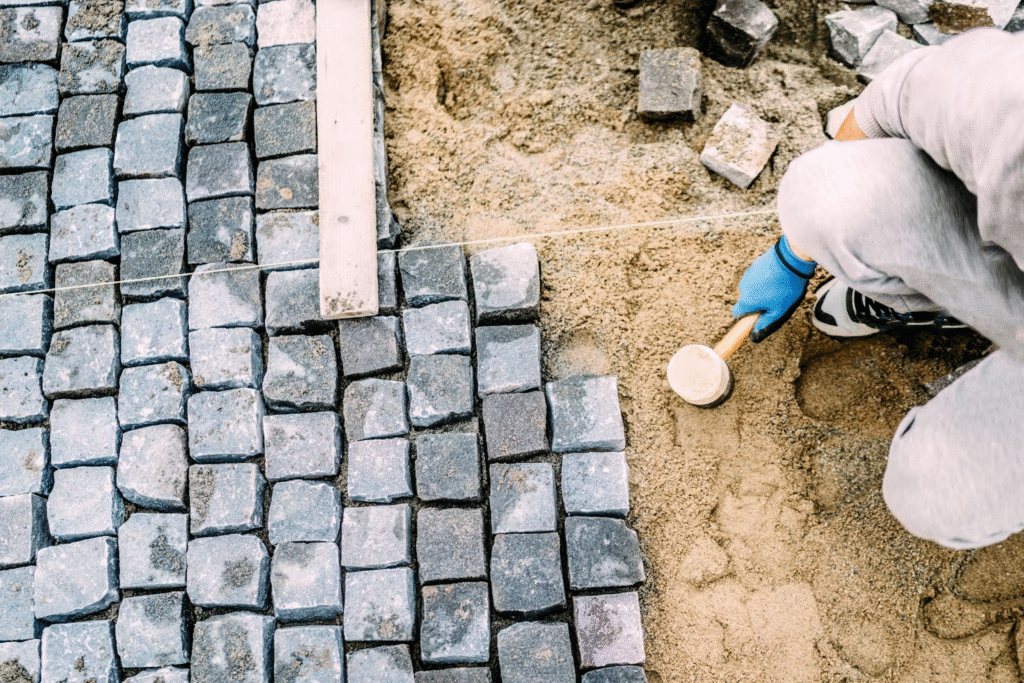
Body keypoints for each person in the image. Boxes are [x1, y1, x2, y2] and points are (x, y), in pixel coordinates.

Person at [731, 27, 1024, 550]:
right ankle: (950, 304)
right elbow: (894, 97)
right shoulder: (1010, 105)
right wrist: (793, 255)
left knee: (939, 487)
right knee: (823, 195)